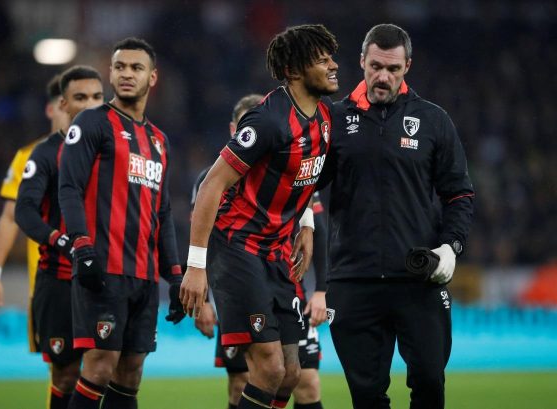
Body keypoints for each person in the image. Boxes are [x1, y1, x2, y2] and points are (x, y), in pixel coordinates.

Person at [180, 24, 339, 409]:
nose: (334, 65)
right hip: (238, 250)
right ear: (294, 71)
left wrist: (305, 224)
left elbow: (305, 177)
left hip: (277, 255)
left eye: (331, 57)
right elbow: (211, 185)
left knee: (291, 373)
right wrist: (196, 266)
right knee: (268, 369)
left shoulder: (324, 118)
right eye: (322, 60)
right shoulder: (267, 121)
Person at [318, 24, 475, 409]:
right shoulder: (333, 120)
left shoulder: (433, 120)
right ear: (362, 62)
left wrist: (451, 247)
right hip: (353, 280)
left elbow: (459, 194)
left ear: (407, 67)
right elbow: (305, 186)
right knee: (367, 396)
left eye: (393, 69)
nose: (383, 77)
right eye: (375, 66)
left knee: (430, 383)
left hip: (418, 279)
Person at [58, 37, 185, 409]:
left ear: (152, 77)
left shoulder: (159, 141)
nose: (127, 74)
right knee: (99, 365)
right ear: (111, 73)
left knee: (131, 372)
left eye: (136, 68)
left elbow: (162, 212)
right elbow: (69, 187)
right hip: (102, 268)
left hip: (143, 276)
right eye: (120, 67)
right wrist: (82, 246)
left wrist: (175, 276)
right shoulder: (92, 123)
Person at [15, 65, 104, 409]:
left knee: (110, 370)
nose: (90, 104)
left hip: (106, 279)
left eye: (96, 97)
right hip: (60, 280)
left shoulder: (112, 150)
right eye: (80, 97)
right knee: (65, 375)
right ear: (63, 104)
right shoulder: (45, 153)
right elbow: (24, 211)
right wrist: (60, 240)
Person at [0, 75, 69, 350]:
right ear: (50, 109)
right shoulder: (29, 156)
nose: (71, 111)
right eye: (64, 105)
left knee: (102, 367)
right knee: (60, 369)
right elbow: (10, 217)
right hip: (47, 282)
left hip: (97, 283)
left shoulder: (102, 153)